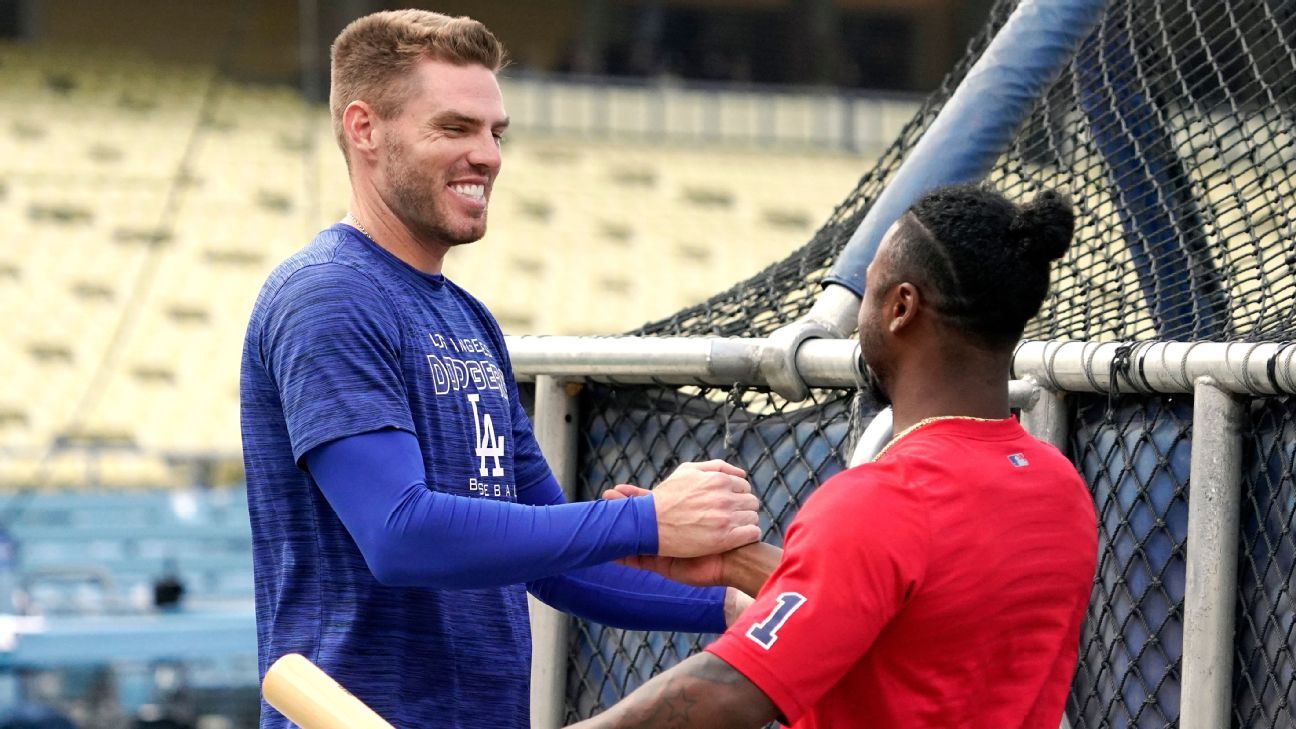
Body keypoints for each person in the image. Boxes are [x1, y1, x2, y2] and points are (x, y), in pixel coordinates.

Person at [239, 10, 759, 729]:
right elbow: (400, 532)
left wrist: (732, 604)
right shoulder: (329, 293)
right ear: (364, 129)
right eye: (455, 128)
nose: (487, 155)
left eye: (495, 132)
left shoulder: (468, 318)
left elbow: (552, 557)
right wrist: (646, 519)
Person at [573, 184, 1099, 728]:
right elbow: (919, 618)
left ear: (901, 307)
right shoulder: (1058, 486)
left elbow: (730, 692)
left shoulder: (883, 499)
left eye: (869, 289)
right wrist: (739, 565)